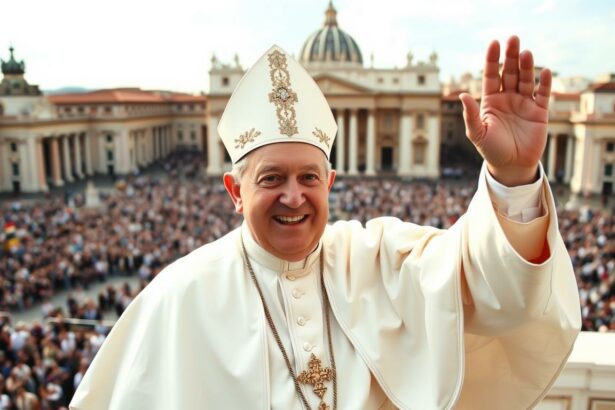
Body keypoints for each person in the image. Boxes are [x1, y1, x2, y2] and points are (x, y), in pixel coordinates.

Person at [70, 37, 580, 410]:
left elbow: (497, 291)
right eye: (272, 178)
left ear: (330, 183)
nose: (294, 196)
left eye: (309, 177)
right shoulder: (179, 295)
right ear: (235, 191)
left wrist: (513, 177)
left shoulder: (379, 257)